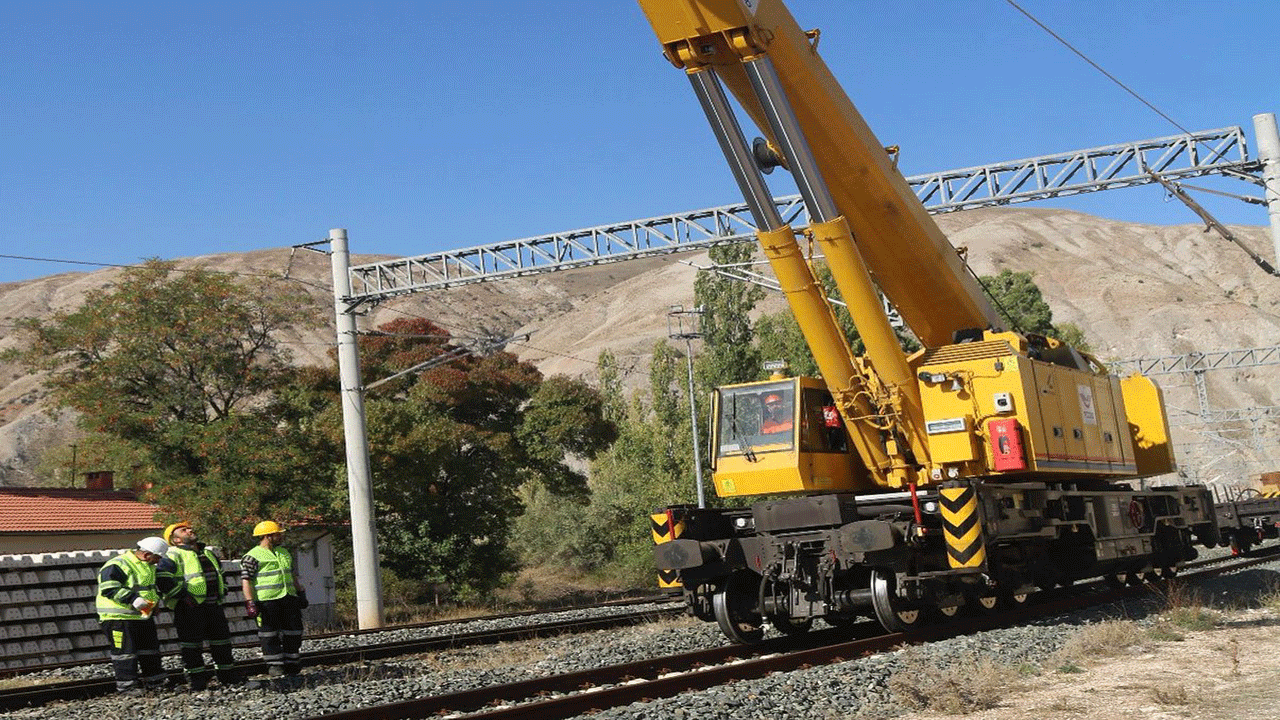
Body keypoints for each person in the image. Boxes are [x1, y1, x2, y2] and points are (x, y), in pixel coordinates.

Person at [158, 521, 247, 690]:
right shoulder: (173, 555)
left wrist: (224, 590)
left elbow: (220, 574)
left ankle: (227, 677)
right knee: (192, 646)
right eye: (184, 530)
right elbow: (163, 579)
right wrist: (184, 597)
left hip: (213, 606)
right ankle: (197, 681)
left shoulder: (208, 553)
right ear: (175, 540)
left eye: (189, 528)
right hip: (189, 608)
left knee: (222, 643)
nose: (190, 530)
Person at [96, 536, 169, 695]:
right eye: (157, 558)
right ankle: (127, 687)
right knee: (124, 653)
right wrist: (133, 599)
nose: (158, 561)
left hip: (141, 617)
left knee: (150, 650)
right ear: (147, 554)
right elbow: (109, 588)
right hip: (118, 619)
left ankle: (155, 682)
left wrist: (155, 603)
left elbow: (149, 589)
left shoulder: (147, 567)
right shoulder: (118, 564)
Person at [241, 520, 308, 686]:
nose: (281, 536)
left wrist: (300, 592)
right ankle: (275, 665)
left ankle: (292, 662)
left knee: (293, 631)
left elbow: (291, 575)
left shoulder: (284, 553)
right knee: (269, 634)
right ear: (268, 536)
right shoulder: (252, 556)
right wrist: (250, 602)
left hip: (288, 598)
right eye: (278, 534)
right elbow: (246, 581)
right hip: (267, 601)